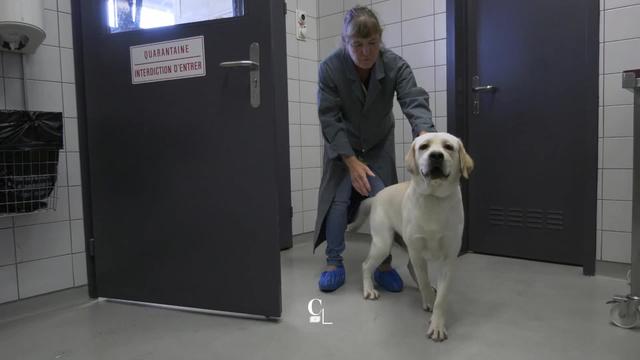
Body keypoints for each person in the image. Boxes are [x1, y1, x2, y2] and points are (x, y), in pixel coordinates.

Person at [313, 6, 436, 292]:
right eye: (357, 44)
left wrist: (425, 136)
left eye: (372, 44)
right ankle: (333, 261)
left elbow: (413, 100)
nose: (366, 52)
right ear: (345, 42)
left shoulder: (396, 65)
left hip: (379, 142)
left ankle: (383, 264)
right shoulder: (330, 68)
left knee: (384, 198)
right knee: (338, 198)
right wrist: (350, 161)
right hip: (342, 144)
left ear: (380, 40)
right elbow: (329, 118)